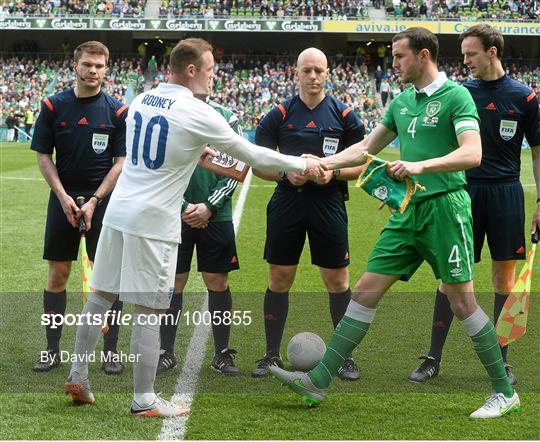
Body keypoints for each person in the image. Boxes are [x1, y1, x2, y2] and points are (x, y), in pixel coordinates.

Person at [63, 37, 323, 418]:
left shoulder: (142, 99)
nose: (214, 78)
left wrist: (196, 154)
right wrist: (303, 164)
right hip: (153, 220)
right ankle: (144, 398)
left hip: (118, 211)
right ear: (191, 70)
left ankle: (78, 376)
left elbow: (166, 148)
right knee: (149, 310)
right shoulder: (197, 111)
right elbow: (250, 153)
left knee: (100, 297)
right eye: (211, 71)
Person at [270, 27, 520, 419]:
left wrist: (421, 164)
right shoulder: (402, 102)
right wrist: (317, 162)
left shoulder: (457, 96)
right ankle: (318, 381)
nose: (394, 64)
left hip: (446, 210)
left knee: (462, 302)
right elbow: (365, 148)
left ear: (423, 55)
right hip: (407, 211)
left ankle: (504, 392)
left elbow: (473, 153)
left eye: (399, 57)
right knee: (365, 292)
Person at [409, 24, 540, 385]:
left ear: (492, 51)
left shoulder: (524, 97)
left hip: (506, 195)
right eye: (463, 54)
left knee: (504, 278)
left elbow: (538, 154)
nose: (464, 60)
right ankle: (432, 357)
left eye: (470, 53)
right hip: (462, 193)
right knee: (450, 279)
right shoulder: (460, 94)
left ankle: (501, 361)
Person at [251, 47, 365, 380]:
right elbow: (259, 165)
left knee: (337, 281)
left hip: (328, 203)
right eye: (307, 71)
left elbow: (362, 165)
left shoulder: (345, 116)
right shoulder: (279, 114)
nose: (313, 76)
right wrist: (287, 174)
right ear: (296, 73)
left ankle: (343, 357)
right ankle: (271, 355)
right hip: (287, 202)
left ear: (328, 73)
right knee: (279, 279)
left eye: (319, 70)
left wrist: (334, 174)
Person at [31, 41, 126, 375]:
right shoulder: (53, 106)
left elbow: (120, 162)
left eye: (99, 66)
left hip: (103, 204)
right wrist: (63, 197)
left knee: (108, 279)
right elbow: (43, 155)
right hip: (63, 201)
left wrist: (96, 200)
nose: (93, 71)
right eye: (87, 64)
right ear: (75, 65)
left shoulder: (117, 111)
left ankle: (111, 351)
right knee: (58, 275)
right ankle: (52, 349)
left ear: (106, 69)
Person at [157, 99, 243, 376]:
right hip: (174, 214)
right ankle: (165, 351)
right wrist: (183, 206)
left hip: (216, 215)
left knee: (217, 282)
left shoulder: (227, 117)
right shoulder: (168, 114)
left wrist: (209, 206)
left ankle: (221, 354)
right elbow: (159, 166)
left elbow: (237, 166)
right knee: (173, 281)